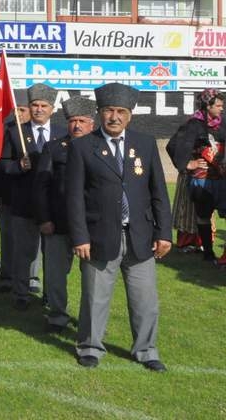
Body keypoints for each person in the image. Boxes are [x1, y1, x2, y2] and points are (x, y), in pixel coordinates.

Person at [66, 82, 171, 372]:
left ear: (130, 115)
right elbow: (74, 197)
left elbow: (158, 192)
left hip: (140, 237)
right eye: (109, 111)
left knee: (145, 301)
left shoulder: (145, 143)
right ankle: (90, 347)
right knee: (94, 298)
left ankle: (147, 350)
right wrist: (80, 236)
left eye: (121, 111)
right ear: (99, 113)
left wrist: (164, 233)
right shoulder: (82, 147)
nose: (115, 117)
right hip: (99, 237)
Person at [33, 95, 95, 332]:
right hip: (58, 223)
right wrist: (45, 218)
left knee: (93, 279)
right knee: (56, 275)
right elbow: (41, 187)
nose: (76, 125)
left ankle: (90, 320)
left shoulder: (102, 148)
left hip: (92, 225)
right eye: (72, 120)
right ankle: (57, 316)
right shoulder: (54, 148)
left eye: (82, 120)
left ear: (92, 123)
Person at [1, 83, 59, 310]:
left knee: (52, 254)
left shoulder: (62, 133)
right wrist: (18, 165)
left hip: (54, 205)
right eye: (34, 105)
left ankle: (50, 295)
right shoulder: (15, 132)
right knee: (23, 251)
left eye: (44, 105)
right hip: (23, 202)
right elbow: (2, 164)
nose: (38, 109)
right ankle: (21, 293)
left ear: (52, 108)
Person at [166, 88, 226, 262]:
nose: (222, 109)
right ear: (208, 106)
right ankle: (208, 253)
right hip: (202, 179)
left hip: (222, 178)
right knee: (204, 215)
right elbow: (173, 145)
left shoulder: (223, 122)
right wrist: (187, 164)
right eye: (219, 105)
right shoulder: (193, 125)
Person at [0, 88, 29, 294]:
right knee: (8, 238)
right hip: (8, 196)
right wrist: (17, 166)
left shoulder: (40, 132)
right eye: (16, 109)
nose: (19, 114)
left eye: (23, 109)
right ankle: (7, 276)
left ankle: (30, 277)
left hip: (34, 198)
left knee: (32, 243)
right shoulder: (5, 131)